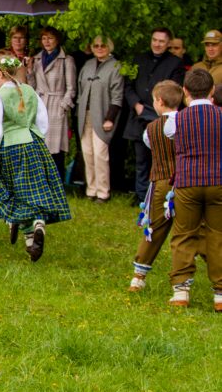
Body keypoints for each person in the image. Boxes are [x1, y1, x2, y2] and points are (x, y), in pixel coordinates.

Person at [0, 55, 71, 262]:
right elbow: (42, 122)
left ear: (0, 73)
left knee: (16, 192)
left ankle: (30, 235)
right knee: (35, 188)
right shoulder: (30, 91)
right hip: (34, 143)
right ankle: (36, 227)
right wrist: (36, 137)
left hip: (12, 146)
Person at [164, 69, 222, 310]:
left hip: (187, 181)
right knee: (218, 234)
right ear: (212, 92)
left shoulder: (175, 119)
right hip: (218, 180)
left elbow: (170, 137)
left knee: (184, 233)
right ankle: (220, 293)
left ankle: (181, 291)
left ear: (185, 91)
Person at [128, 80, 183, 292]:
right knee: (190, 229)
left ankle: (138, 276)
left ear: (159, 102)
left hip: (161, 181)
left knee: (155, 227)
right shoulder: (186, 123)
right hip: (184, 181)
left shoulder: (149, 129)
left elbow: (151, 146)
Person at [123, 27, 186, 203]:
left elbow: (175, 91)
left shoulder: (175, 63)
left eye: (161, 41)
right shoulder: (139, 59)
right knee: (140, 159)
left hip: (160, 117)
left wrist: (155, 109)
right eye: (154, 40)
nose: (157, 44)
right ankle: (140, 194)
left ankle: (158, 195)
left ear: (168, 44)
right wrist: (136, 105)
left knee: (160, 159)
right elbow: (128, 86)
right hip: (138, 115)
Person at [76, 36, 124, 202]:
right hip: (85, 116)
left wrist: (110, 118)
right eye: (95, 46)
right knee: (87, 153)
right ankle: (91, 189)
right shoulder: (88, 65)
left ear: (109, 46)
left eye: (103, 45)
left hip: (103, 116)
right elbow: (80, 91)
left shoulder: (115, 66)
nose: (99, 48)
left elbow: (117, 96)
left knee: (100, 154)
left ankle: (103, 192)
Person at [28, 27, 76, 179]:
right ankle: (42, 181)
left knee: (56, 148)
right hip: (41, 103)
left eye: (50, 38)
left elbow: (71, 88)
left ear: (57, 40)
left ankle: (57, 182)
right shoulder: (36, 59)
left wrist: (63, 107)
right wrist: (29, 71)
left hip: (57, 104)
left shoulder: (66, 60)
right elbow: (33, 86)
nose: (47, 42)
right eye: (44, 38)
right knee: (40, 144)